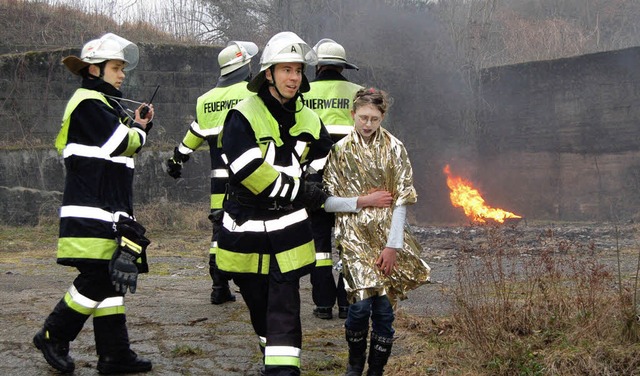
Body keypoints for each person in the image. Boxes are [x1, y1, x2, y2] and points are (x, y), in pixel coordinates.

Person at [33, 33, 154, 374]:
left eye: (122, 68)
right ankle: (52, 333)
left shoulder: (100, 106)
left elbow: (113, 142)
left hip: (105, 210)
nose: (122, 74)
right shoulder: (88, 102)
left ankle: (115, 355)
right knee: (98, 276)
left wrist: (137, 124)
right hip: (92, 211)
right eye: (116, 68)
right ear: (94, 71)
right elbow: (124, 142)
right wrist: (143, 129)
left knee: (111, 280)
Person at [216, 30, 336, 376]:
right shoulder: (242, 115)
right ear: (268, 73)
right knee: (260, 311)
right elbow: (249, 171)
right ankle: (272, 353)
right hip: (246, 232)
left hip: (289, 235)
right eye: (286, 69)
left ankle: (282, 370)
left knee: (285, 310)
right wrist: (302, 191)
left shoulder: (310, 119)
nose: (294, 77)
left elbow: (324, 160)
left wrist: (316, 183)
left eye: (298, 70)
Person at [323, 88, 431, 376]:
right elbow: (328, 202)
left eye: (374, 118)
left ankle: (376, 370)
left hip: (387, 238)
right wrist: (363, 201)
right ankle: (354, 364)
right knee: (359, 308)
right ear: (353, 115)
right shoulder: (340, 151)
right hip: (353, 237)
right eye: (363, 118)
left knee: (384, 309)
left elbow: (402, 200)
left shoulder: (395, 148)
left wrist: (393, 246)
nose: (368, 124)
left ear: (383, 116)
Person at [166, 40, 259, 305]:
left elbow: (193, 135)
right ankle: (251, 285)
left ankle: (219, 287)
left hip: (219, 183)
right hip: (249, 179)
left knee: (219, 231)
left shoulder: (205, 101)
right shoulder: (252, 95)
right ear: (243, 67)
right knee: (250, 229)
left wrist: (177, 159)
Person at [303, 38, 363, 320]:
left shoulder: (302, 94)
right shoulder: (359, 94)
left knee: (320, 245)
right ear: (342, 67)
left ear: (319, 66)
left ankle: (323, 304)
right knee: (348, 242)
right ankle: (347, 303)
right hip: (351, 181)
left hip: (315, 181)